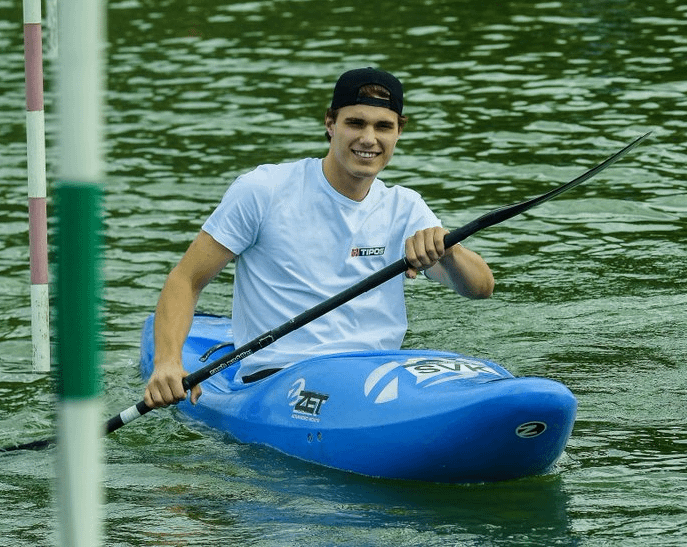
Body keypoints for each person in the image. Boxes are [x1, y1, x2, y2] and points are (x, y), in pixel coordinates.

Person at [144, 67, 495, 408]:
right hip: (280, 379)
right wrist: (167, 362)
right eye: (355, 123)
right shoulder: (264, 190)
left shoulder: (405, 207)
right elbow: (186, 279)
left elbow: (480, 288)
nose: (369, 139)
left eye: (383, 126)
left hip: (376, 374)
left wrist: (447, 251)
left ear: (398, 132)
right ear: (330, 124)